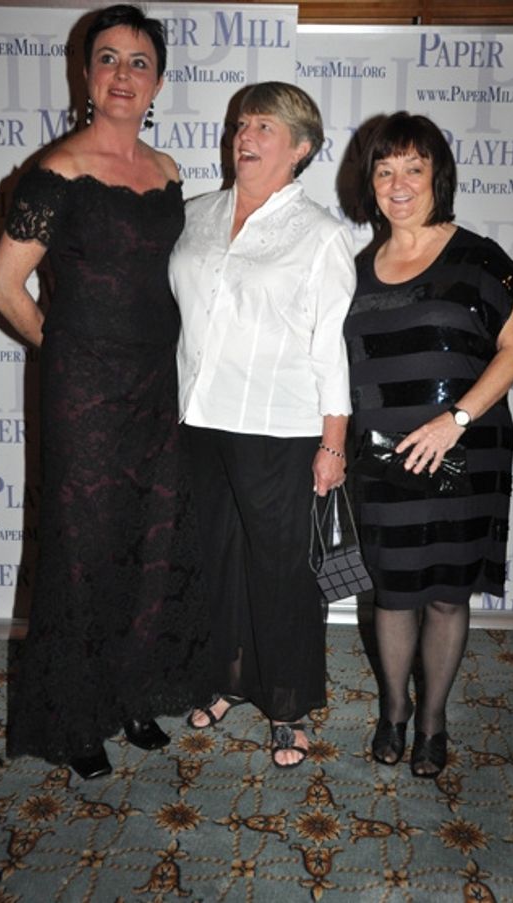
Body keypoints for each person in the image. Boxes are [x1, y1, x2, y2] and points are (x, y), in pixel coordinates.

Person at [0, 4, 210, 780]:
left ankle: (132, 695)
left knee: (153, 541)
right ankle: (76, 714)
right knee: (83, 552)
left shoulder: (170, 171)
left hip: (160, 383)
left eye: (138, 62)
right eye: (107, 58)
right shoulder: (56, 170)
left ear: (158, 81)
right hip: (83, 390)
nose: (122, 74)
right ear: (86, 73)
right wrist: (67, 348)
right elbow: (3, 283)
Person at [168, 82, 356, 768]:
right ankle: (228, 676)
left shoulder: (321, 234)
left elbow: (329, 343)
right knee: (215, 558)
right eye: (243, 123)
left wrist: (333, 441)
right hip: (199, 419)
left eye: (266, 127)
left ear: (301, 148)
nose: (246, 135)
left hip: (280, 425)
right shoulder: (195, 215)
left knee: (282, 571)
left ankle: (289, 701)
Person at [344, 111, 513, 778]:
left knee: (449, 594)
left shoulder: (479, 256)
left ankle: (433, 720)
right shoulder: (354, 268)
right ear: (369, 182)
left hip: (464, 452)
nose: (398, 183)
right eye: (384, 169)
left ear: (436, 177)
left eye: (412, 168)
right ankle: (394, 710)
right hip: (383, 461)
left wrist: (455, 418)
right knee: (393, 594)